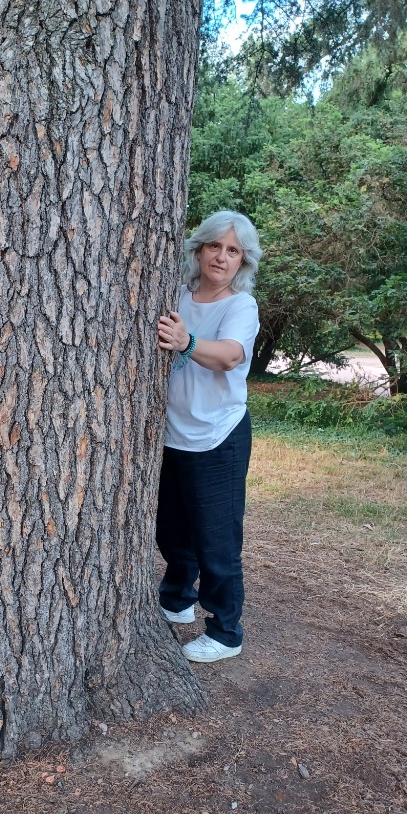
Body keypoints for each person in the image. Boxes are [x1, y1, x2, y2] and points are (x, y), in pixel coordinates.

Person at [156, 210, 262, 663]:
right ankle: (177, 600)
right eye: (215, 246)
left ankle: (225, 631)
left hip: (219, 437)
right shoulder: (177, 294)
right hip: (171, 435)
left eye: (233, 250)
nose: (221, 257)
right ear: (198, 249)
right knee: (171, 531)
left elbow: (230, 356)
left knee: (216, 540)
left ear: (243, 262)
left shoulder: (240, 306)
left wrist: (188, 342)